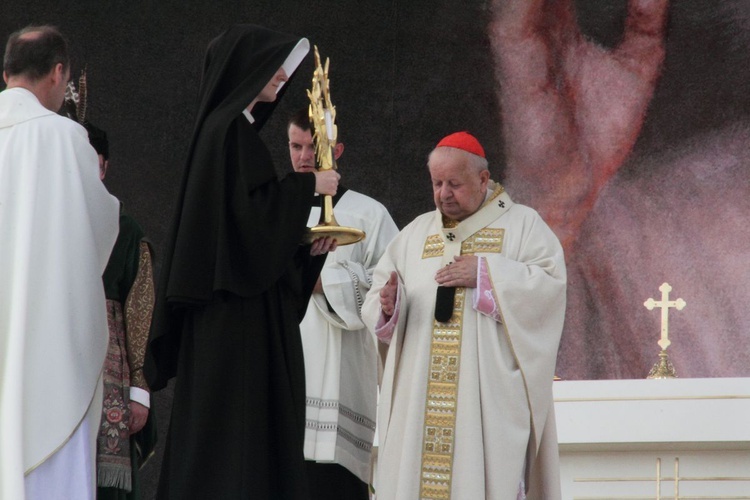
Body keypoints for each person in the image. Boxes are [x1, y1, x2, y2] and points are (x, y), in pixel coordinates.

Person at [144, 25, 340, 499]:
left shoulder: (228, 133)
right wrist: (309, 186)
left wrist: (303, 250)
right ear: (241, 71)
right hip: (233, 324)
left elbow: (239, 236)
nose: (279, 75)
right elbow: (251, 225)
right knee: (237, 442)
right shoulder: (228, 134)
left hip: (233, 318)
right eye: (268, 65)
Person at [362, 132, 567, 500]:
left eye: (454, 184)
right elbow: (379, 297)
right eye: (437, 183)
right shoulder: (414, 234)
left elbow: (549, 288)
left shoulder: (523, 226)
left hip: (487, 400)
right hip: (420, 401)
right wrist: (388, 307)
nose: (443, 194)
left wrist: (488, 274)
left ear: (484, 180)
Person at [0, 26, 119, 500]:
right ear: (56, 74)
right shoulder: (66, 138)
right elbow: (97, 225)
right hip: (42, 345)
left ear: (6, 72)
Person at [287, 108, 399, 498]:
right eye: (295, 146)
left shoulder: (369, 214)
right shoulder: (271, 209)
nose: (303, 157)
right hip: (284, 364)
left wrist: (323, 281)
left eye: (313, 148)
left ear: (337, 150)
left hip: (340, 374)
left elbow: (393, 286)